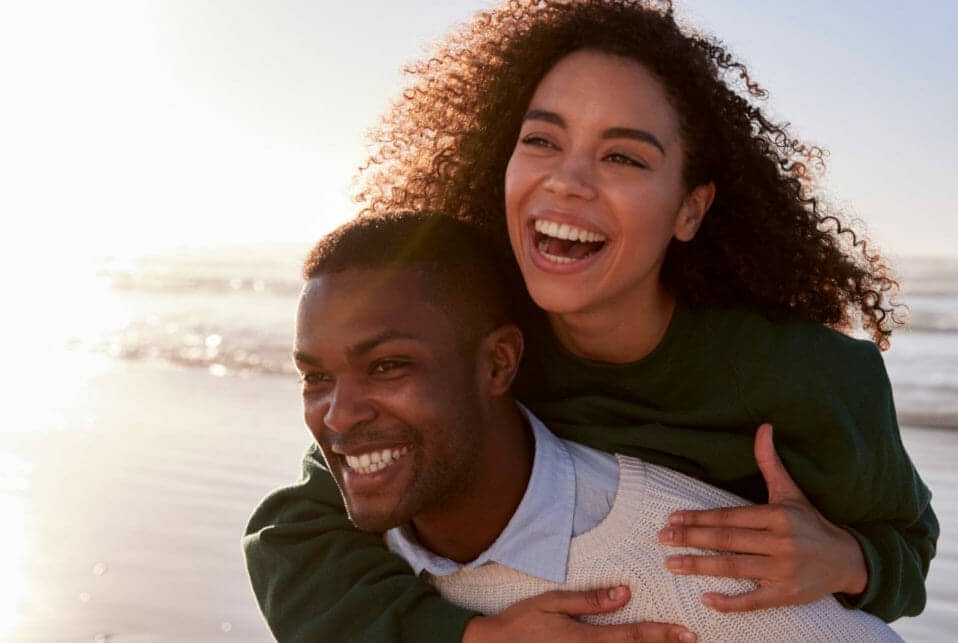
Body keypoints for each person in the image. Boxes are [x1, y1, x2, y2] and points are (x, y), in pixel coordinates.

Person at [243, 0, 937, 642]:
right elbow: (296, 532)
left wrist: (850, 558)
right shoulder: (475, 339)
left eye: (624, 158)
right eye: (541, 140)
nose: (567, 180)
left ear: (690, 209)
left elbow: (908, 541)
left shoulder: (809, 376)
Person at [291, 212, 901, 642]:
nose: (339, 415)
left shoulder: (705, 578)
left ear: (500, 363)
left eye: (388, 366)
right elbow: (285, 533)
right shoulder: (348, 554)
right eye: (316, 377)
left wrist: (858, 560)